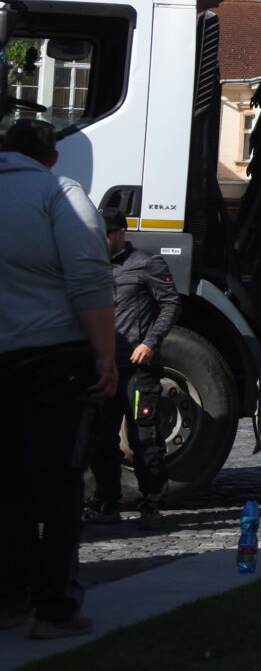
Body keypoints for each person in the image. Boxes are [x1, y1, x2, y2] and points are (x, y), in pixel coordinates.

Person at [0, 119, 116, 640]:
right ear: (51, 157)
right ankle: (55, 609)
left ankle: (8, 600)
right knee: (56, 487)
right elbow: (89, 277)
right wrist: (106, 356)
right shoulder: (59, 193)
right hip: (54, 356)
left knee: (6, 488)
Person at [85, 207, 180, 528]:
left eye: (106, 233)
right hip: (103, 366)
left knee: (144, 439)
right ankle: (106, 504)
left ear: (120, 233)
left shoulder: (146, 263)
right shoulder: (93, 266)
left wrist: (150, 343)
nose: (100, 239)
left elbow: (170, 303)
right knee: (101, 439)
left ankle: (151, 503)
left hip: (138, 368)